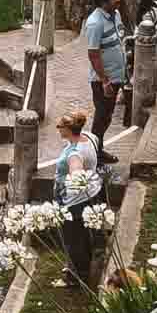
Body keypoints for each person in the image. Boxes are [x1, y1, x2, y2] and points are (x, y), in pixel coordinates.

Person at [53, 107, 102, 290]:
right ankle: (83, 267)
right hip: (91, 194)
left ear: (67, 129)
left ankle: (76, 278)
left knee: (72, 239)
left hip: (72, 202)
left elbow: (76, 173)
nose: (58, 128)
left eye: (60, 126)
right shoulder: (90, 137)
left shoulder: (74, 154)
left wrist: (72, 182)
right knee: (82, 236)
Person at [83, 0, 128, 155]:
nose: (118, 0)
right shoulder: (95, 23)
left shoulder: (115, 14)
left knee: (107, 116)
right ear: (103, 3)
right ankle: (94, 153)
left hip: (117, 76)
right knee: (102, 118)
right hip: (104, 80)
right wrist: (105, 81)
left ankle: (97, 150)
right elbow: (93, 54)